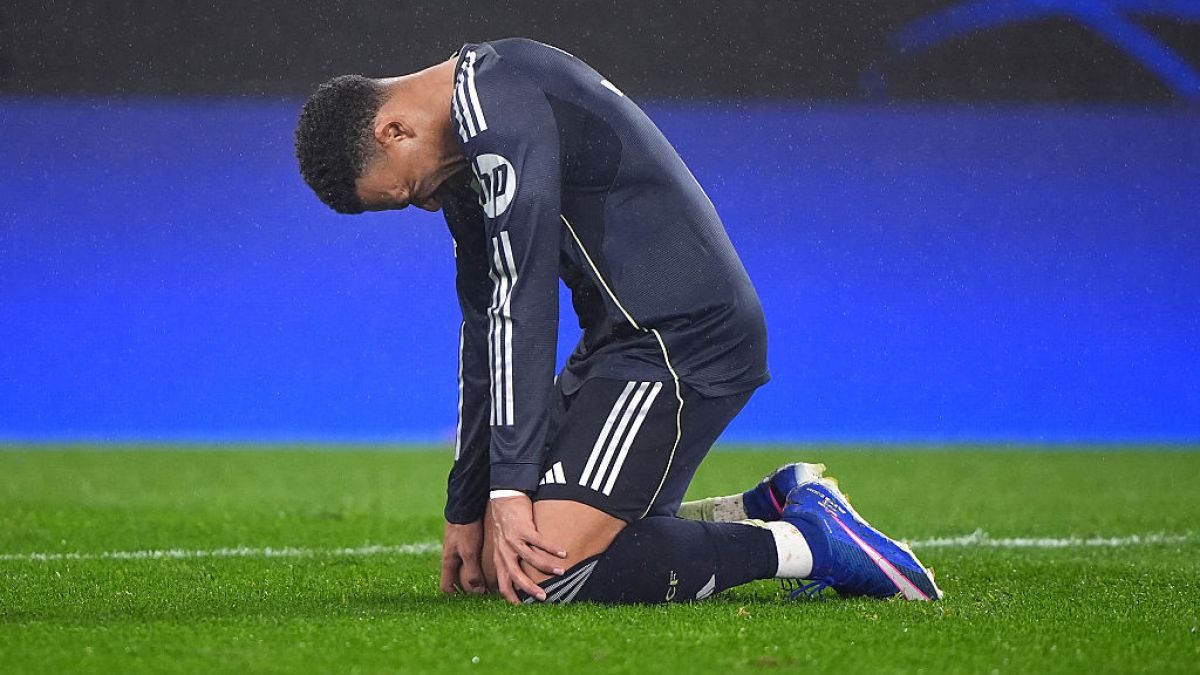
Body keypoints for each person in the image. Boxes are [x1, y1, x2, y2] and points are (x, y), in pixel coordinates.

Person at [294, 38, 942, 604]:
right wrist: (467, 503)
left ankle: (811, 543)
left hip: (683, 340)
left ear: (395, 131)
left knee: (546, 571)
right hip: (620, 344)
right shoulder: (468, 146)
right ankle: (764, 505)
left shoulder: (497, 99)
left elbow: (524, 298)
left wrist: (509, 488)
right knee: (504, 559)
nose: (429, 206)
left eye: (409, 192)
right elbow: (487, 319)